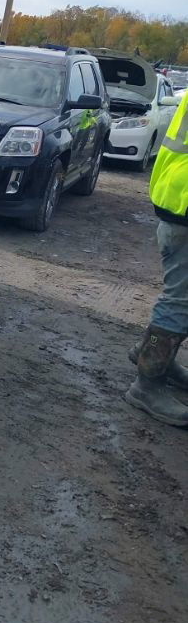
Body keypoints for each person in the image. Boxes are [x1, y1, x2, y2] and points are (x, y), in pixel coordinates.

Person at [127, 88, 188, 426]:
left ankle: (158, 359)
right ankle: (147, 385)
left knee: (180, 297)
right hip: (185, 207)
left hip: (177, 198)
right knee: (181, 302)